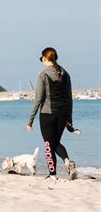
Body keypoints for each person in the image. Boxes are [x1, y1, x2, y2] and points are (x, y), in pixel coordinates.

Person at [27, 47, 77, 180]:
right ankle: (67, 161)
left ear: (44, 58)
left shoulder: (43, 75)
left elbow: (38, 99)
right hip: (62, 115)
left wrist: (30, 120)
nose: (41, 61)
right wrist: (69, 119)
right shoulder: (66, 74)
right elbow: (69, 99)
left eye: (41, 58)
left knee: (49, 145)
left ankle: (53, 174)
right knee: (55, 143)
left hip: (47, 114)